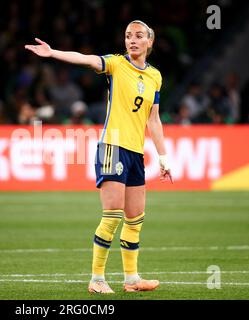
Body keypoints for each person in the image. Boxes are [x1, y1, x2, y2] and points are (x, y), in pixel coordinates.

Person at [26, 20, 172, 293]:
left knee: (135, 217)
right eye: (128, 35)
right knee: (113, 215)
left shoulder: (155, 76)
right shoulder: (116, 64)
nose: (132, 40)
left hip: (136, 153)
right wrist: (53, 52)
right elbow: (85, 59)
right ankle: (96, 279)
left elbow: (154, 119)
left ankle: (132, 279)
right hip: (112, 147)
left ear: (150, 42)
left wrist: (164, 157)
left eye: (139, 36)